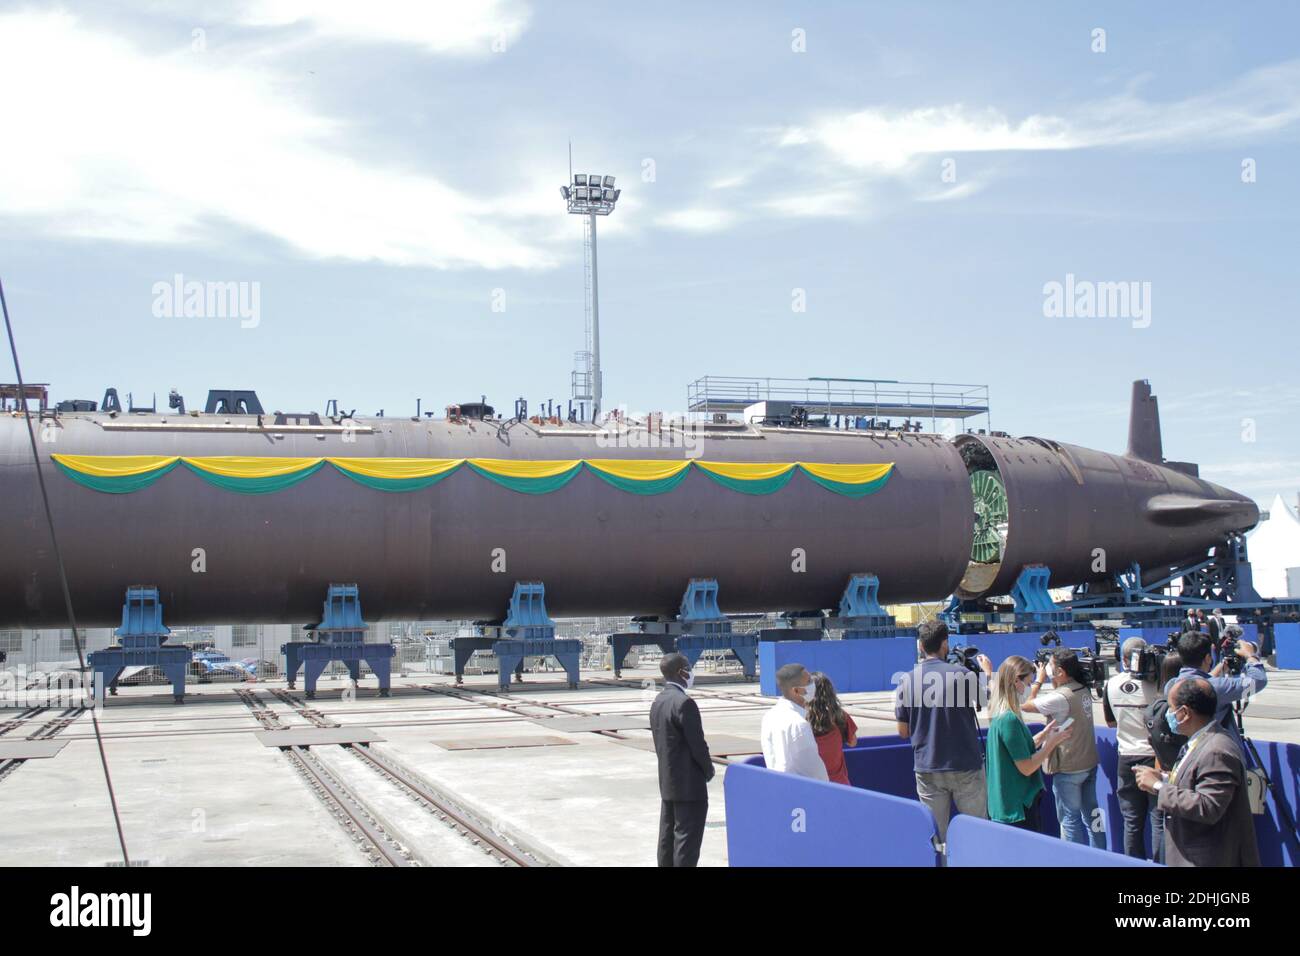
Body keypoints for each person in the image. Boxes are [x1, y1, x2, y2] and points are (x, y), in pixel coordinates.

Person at [1135, 678, 1260, 867]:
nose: (1167, 714)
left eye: (1170, 708)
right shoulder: (1199, 741)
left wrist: (1159, 787)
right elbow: (1196, 781)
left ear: (1184, 713)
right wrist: (1164, 778)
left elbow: (1208, 806)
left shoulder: (1216, 750)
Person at [895, 619, 988, 847]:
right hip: (965, 765)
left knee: (937, 840)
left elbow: (903, 732)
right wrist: (986, 674)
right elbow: (985, 702)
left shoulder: (906, 681)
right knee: (978, 834)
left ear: (920, 646)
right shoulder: (963, 674)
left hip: (928, 767)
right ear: (945, 644)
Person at [1022, 648, 1105, 848]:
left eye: (1050, 666)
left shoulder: (1060, 697)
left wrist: (1039, 680)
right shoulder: (1082, 689)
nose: (1047, 669)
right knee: (1093, 818)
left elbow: (1026, 705)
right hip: (1089, 763)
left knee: (1070, 820)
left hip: (1069, 767)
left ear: (1060, 671)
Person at [985, 656, 1072, 830]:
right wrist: (1050, 744)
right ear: (1016, 681)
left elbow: (1016, 749)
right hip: (1016, 808)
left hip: (1008, 805)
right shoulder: (1008, 719)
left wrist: (1043, 735)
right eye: (1028, 682)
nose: (1029, 688)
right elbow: (1026, 766)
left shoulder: (1000, 713)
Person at [649, 652, 714, 867]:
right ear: (681, 672)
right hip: (689, 784)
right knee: (687, 841)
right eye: (689, 667)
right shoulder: (685, 703)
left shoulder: (659, 701)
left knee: (667, 837)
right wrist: (708, 770)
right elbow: (697, 745)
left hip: (668, 781)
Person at [1103, 638, 1160, 859]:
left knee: (1132, 822)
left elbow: (1110, 722)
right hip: (1154, 758)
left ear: (1123, 658)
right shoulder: (1156, 684)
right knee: (1158, 820)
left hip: (1126, 756)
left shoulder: (1111, 683)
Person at [1170, 630, 1266, 756]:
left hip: (1188, 754)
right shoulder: (1217, 687)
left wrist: (1221, 666)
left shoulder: (1171, 685)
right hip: (1219, 752)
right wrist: (1250, 656)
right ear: (1208, 658)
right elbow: (1257, 681)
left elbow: (1197, 679)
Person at [1143, 651, 1184, 864]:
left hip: (1160, 771)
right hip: (1178, 777)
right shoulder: (1175, 711)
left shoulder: (1153, 708)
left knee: (1159, 822)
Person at [760, 663, 828, 781]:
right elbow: (814, 770)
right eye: (808, 682)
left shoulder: (769, 716)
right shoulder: (799, 724)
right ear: (796, 690)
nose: (813, 684)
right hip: (801, 791)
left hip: (779, 785)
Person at [805, 671, 857, 784]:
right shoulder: (840, 716)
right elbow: (853, 742)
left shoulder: (802, 718)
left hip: (813, 783)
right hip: (839, 783)